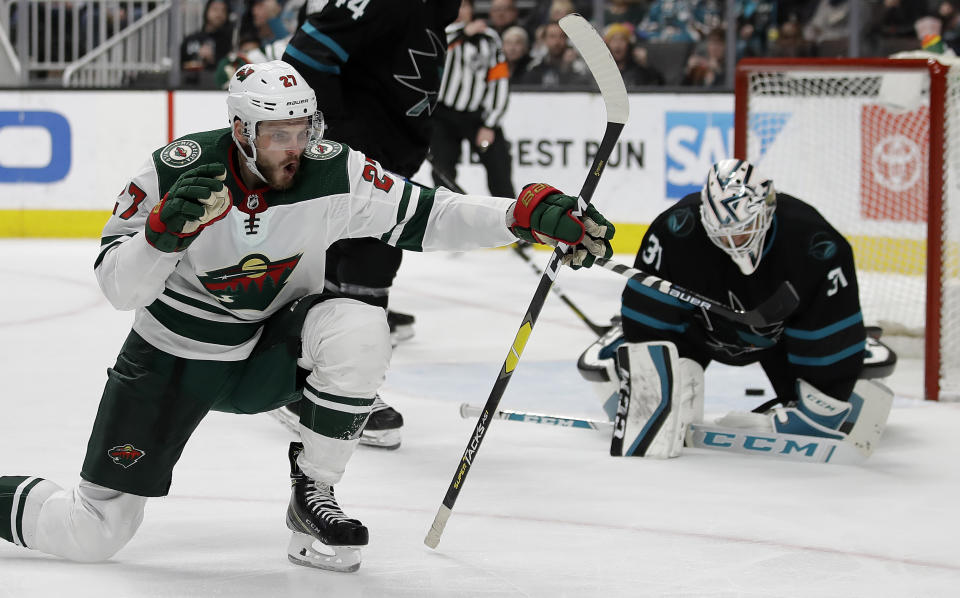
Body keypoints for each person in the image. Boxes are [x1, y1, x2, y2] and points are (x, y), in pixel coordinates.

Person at [0, 60, 614, 571]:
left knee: (359, 327)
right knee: (95, 533)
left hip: (267, 351)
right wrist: (162, 234)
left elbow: (432, 215)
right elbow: (116, 288)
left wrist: (520, 215)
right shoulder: (173, 170)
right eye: (277, 135)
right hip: (169, 361)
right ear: (241, 129)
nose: (294, 147)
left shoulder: (335, 168)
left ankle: (311, 496)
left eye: (302, 129)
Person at [579, 159, 893, 459]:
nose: (734, 242)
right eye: (723, 234)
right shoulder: (675, 230)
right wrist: (649, 386)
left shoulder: (813, 242)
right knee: (647, 394)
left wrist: (820, 406)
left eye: (743, 230)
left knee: (821, 417)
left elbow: (829, 329)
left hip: (781, 338)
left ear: (768, 209)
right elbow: (647, 315)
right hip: (697, 330)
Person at [280, 0, 460, 448]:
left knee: (364, 267)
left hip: (388, 164)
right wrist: (343, 142)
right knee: (364, 265)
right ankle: (326, 390)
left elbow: (392, 83)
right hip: (362, 167)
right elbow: (303, 55)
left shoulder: (433, 11)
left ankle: (309, 382)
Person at [430, 0, 515, 198]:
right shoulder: (440, 32)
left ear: (471, 10)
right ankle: (445, 218)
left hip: (478, 117)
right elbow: (437, 46)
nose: (459, 11)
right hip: (444, 115)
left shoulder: (488, 38)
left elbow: (499, 82)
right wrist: (463, 32)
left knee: (500, 170)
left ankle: (509, 219)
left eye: (463, 6)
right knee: (442, 174)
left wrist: (490, 125)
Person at [180, 0, 234, 87]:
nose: (219, 14)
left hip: (214, 88)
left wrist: (212, 59)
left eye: (223, 10)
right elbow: (179, 63)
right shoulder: (191, 39)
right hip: (187, 87)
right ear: (207, 11)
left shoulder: (228, 42)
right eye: (215, 9)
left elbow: (229, 70)